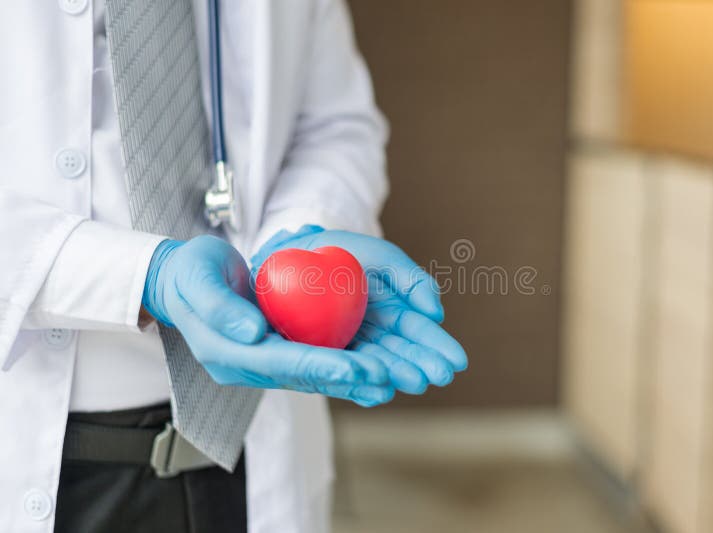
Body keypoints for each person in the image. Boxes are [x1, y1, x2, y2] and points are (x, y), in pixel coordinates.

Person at [0, 1, 467, 532]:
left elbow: (335, 127)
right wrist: (144, 277)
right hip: (46, 466)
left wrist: (300, 235)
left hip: (253, 458)